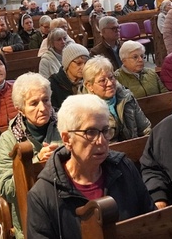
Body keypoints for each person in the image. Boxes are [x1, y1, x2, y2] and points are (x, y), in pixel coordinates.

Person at [26, 94, 154, 239]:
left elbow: (152, 223)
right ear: (67, 139)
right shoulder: (43, 195)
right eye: (90, 132)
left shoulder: (124, 168)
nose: (101, 141)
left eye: (105, 131)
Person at [0, 74, 62, 239]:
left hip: (66, 208)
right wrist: (35, 163)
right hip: (32, 216)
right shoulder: (8, 139)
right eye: (33, 103)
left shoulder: (64, 125)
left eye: (46, 100)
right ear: (20, 109)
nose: (42, 108)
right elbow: (6, 190)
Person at [81, 56, 151, 142]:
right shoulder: (84, 110)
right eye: (102, 81)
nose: (110, 83)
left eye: (111, 77)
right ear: (89, 86)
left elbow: (145, 129)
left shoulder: (127, 98)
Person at [48, 43, 90, 111]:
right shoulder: (53, 84)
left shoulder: (89, 81)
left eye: (86, 63)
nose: (83, 67)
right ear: (67, 64)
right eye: (78, 63)